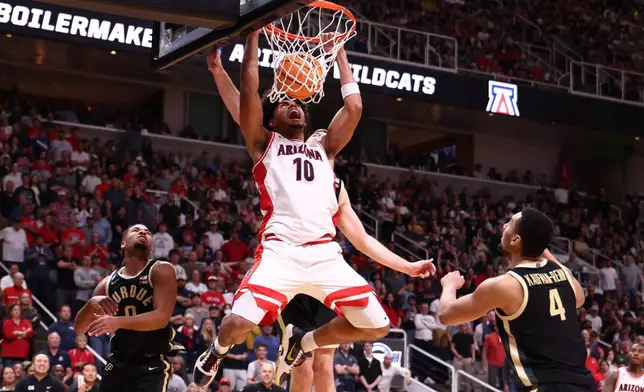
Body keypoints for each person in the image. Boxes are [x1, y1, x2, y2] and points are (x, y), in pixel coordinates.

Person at [195, 33, 435, 388]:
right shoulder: (265, 144)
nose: (295, 107)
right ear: (271, 120)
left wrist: (339, 55)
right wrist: (253, 37)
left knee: (379, 325)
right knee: (238, 325)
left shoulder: (326, 152)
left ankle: (302, 341)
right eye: (285, 105)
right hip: (281, 253)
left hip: (325, 256)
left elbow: (354, 110)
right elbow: (247, 95)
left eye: (299, 106)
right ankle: (215, 351)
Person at [438, 207, 595, 392]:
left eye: (510, 223)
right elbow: (579, 298)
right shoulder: (564, 274)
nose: (504, 225)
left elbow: (446, 315)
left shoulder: (505, 285)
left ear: (515, 240)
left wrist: (449, 285)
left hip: (548, 386)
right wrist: (537, 241)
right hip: (585, 384)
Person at [74, 224, 178, 392]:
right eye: (136, 230)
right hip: (117, 362)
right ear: (123, 243)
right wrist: (91, 303)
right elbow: (80, 328)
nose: (143, 232)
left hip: (150, 364)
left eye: (147, 232)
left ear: (151, 247)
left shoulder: (160, 270)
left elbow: (161, 317)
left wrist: (117, 322)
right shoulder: (107, 283)